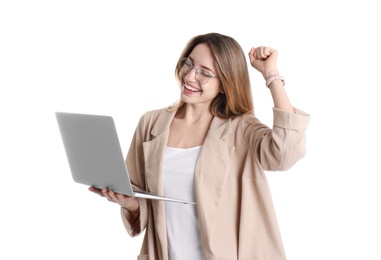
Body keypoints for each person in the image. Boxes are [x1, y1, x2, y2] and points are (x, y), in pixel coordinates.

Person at [89, 32, 310, 260]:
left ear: (225, 84)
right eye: (189, 64)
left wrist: (271, 75)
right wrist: (128, 202)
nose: (190, 76)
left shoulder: (241, 129)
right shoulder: (151, 124)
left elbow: (285, 154)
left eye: (204, 73)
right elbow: (142, 200)